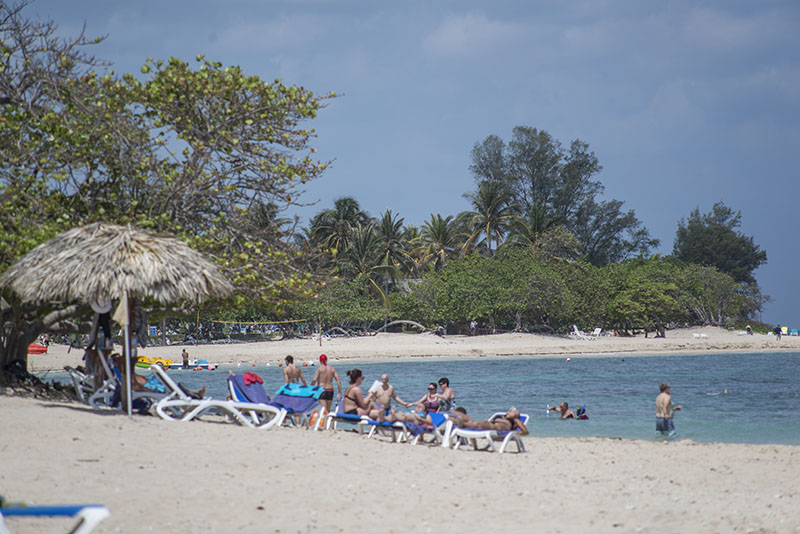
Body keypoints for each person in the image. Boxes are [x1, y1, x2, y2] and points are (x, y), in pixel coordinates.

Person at [453, 407, 529, 435]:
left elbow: (525, 431)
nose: (509, 411)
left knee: (483, 424)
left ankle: (463, 424)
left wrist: (516, 433)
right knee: (478, 423)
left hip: (501, 429)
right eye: (509, 410)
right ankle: (461, 423)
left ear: (516, 415)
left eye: (513, 411)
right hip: (491, 426)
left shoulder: (515, 420)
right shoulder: (500, 416)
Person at [311, 354, 341, 420]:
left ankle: (323, 426)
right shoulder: (332, 369)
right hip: (330, 390)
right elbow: (338, 380)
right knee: (328, 410)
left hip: (322, 390)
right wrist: (339, 391)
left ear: (320, 360)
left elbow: (314, 379)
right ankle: (327, 425)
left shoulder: (319, 369)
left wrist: (311, 388)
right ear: (326, 360)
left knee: (323, 409)